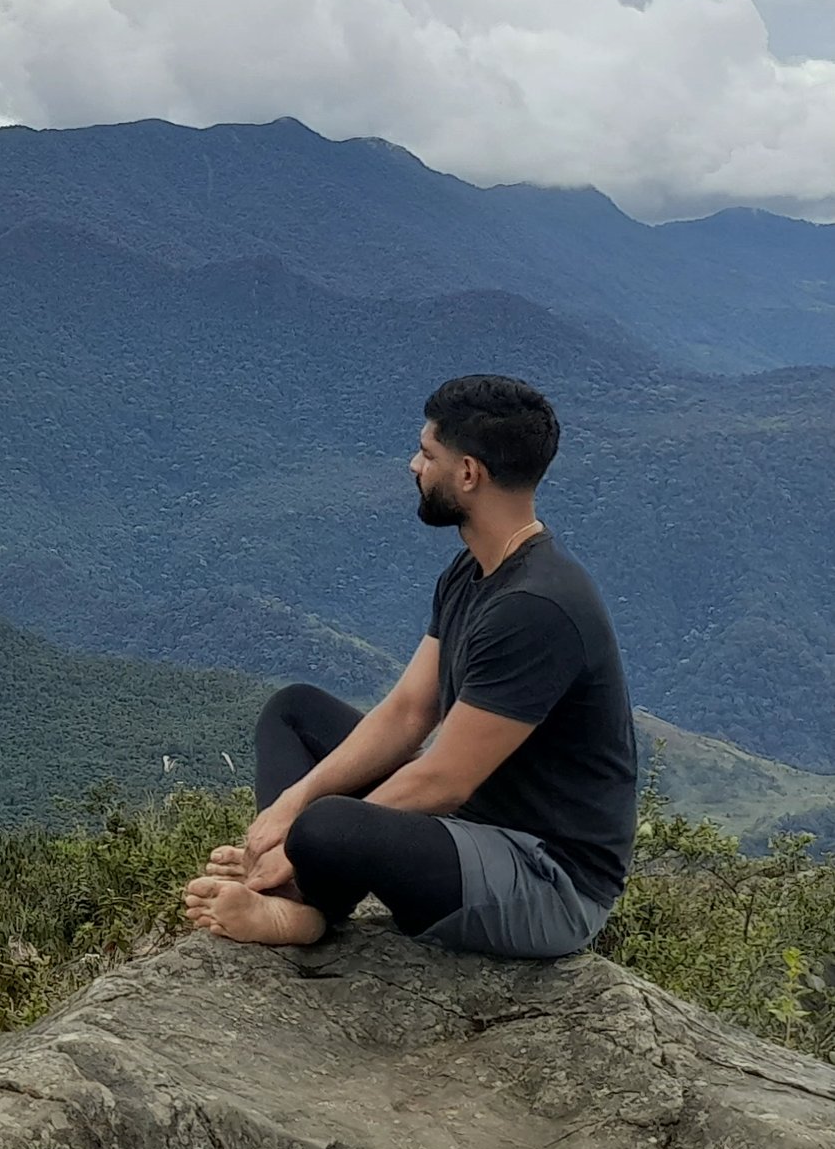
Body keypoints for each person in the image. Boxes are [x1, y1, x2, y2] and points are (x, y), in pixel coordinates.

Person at [184, 374, 636, 958]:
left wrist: (298, 843)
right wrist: (286, 809)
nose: (413, 466)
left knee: (329, 826)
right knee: (294, 712)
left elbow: (445, 778)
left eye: (427, 454)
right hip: (473, 829)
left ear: (468, 473)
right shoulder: (473, 572)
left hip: (545, 880)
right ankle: (303, 899)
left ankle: (302, 903)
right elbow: (406, 714)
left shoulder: (536, 608)